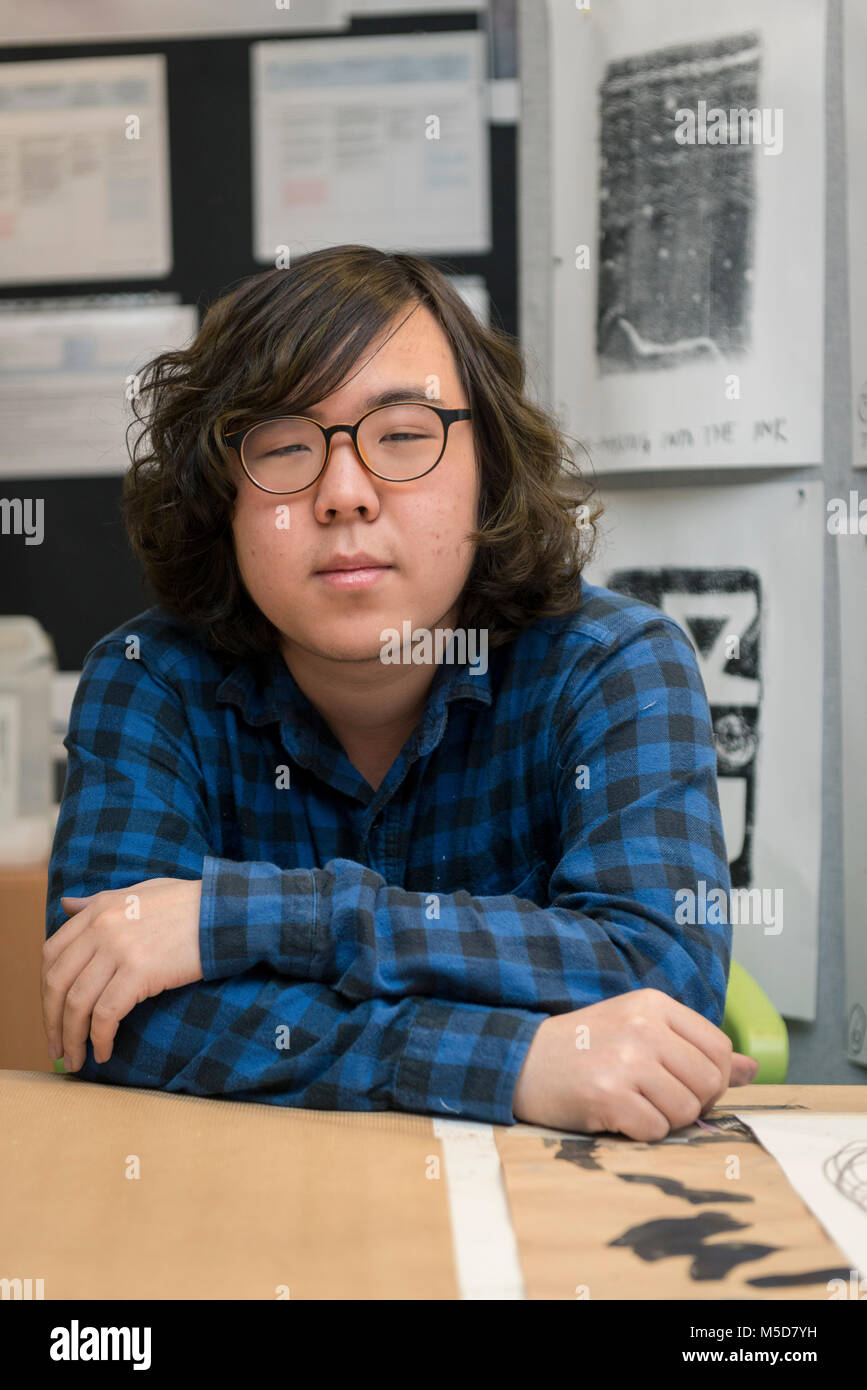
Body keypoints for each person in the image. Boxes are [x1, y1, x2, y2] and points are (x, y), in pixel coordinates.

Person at [42, 245, 757, 1140]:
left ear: (487, 465)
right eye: (283, 446)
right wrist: (515, 1064)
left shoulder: (614, 665)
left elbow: (660, 972)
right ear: (218, 495)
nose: (344, 494)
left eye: (404, 436)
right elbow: (115, 1025)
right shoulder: (149, 678)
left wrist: (247, 918)